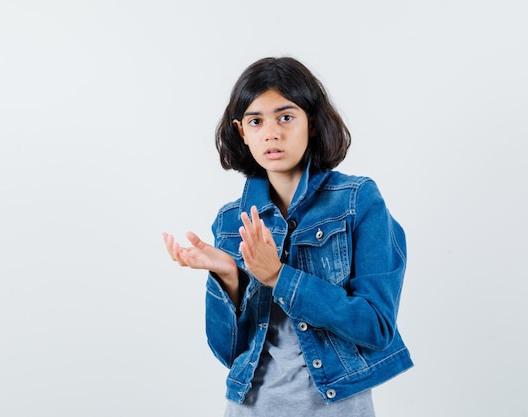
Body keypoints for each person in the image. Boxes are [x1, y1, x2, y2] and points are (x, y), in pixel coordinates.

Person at [162, 56, 413, 416]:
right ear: (241, 132)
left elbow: (376, 326)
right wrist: (228, 278)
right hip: (250, 407)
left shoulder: (358, 201)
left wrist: (279, 277)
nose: (271, 132)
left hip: (337, 405)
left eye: (286, 117)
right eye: (255, 120)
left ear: (312, 122)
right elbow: (228, 353)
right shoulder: (231, 220)